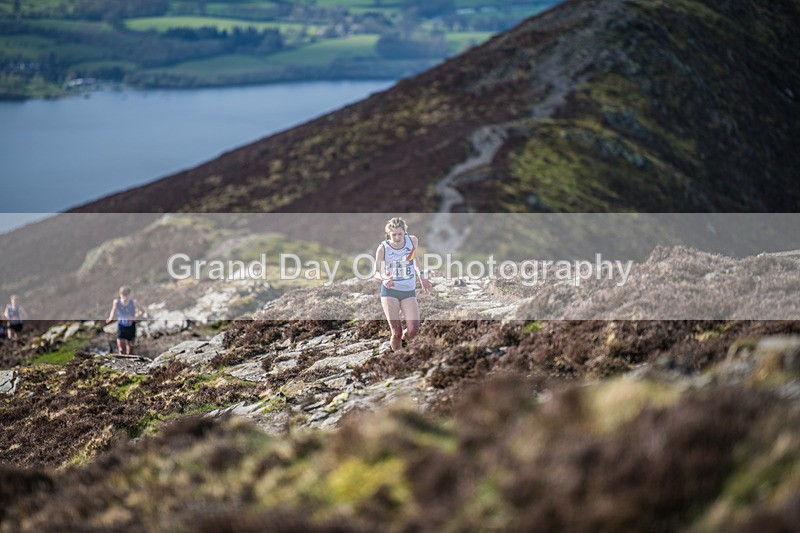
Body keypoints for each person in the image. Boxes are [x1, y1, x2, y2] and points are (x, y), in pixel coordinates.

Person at [375, 217, 433, 351]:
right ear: (388, 234)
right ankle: (398, 358)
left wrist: (422, 277)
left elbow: (415, 260)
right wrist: (384, 279)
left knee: (413, 330)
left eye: (400, 234)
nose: (397, 237)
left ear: (404, 232)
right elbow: (376, 272)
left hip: (408, 291)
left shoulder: (412, 241)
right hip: (390, 291)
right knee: (396, 332)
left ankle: (404, 342)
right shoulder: (383, 248)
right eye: (393, 234)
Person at [105, 286, 143, 355]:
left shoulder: (133, 302)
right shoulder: (116, 302)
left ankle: (130, 363)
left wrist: (135, 317)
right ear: (120, 294)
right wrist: (110, 317)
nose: (125, 297)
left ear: (129, 295)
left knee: (130, 351)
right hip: (121, 325)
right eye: (123, 295)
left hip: (131, 326)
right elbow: (113, 310)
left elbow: (142, 311)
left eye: (126, 295)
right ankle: (121, 362)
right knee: (121, 350)